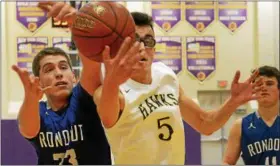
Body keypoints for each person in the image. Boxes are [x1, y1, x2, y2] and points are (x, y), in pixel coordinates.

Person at [38, 2, 262, 164]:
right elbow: (107, 115)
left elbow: (205, 122)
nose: (143, 47)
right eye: (135, 41)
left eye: (149, 41)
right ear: (122, 47)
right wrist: (80, 24)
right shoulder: (110, 90)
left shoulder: (165, 75)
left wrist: (233, 102)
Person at [12, 47, 112, 165]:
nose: (59, 73)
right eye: (49, 70)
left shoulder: (82, 98)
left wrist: (84, 34)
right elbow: (28, 131)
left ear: (74, 77)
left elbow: (92, 66)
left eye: (63, 67)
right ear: (39, 82)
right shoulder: (38, 111)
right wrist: (30, 97)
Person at [223, 66, 280, 165]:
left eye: (269, 84)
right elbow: (227, 162)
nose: (263, 87)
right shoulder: (240, 125)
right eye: (259, 84)